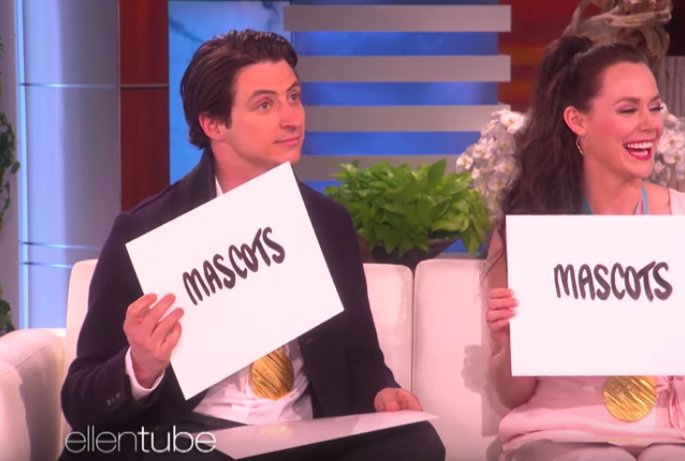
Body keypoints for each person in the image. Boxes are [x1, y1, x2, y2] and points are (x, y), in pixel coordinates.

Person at [60, 29, 444, 461]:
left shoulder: (328, 223)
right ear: (213, 124)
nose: (292, 119)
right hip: (194, 439)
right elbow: (79, 399)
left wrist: (382, 393)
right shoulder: (146, 231)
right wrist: (139, 367)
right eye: (265, 104)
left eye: (294, 97)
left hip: (305, 437)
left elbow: (361, 358)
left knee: (418, 442)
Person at [484, 36, 685, 461]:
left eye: (654, 107)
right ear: (577, 121)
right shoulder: (528, 229)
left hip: (670, 432)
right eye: (628, 110)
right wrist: (511, 344)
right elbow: (511, 394)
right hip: (559, 429)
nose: (650, 125)